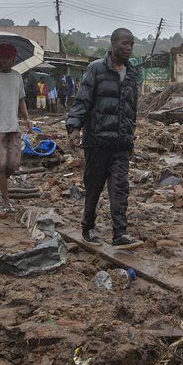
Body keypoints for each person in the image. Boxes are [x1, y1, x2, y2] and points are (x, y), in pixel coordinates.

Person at [66, 28, 142, 249]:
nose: (128, 48)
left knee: (120, 188)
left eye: (131, 44)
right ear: (112, 44)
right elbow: (83, 101)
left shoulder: (131, 74)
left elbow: (131, 110)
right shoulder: (96, 69)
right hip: (97, 142)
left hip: (120, 144)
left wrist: (131, 140)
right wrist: (74, 128)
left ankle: (120, 233)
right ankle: (88, 227)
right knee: (94, 186)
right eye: (124, 43)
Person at [0, 43, 31, 211]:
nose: (6, 61)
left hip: (13, 126)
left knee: (14, 164)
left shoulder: (17, 77)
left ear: (13, 59)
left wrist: (27, 119)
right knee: (1, 164)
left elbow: (21, 100)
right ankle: (6, 200)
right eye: (3, 58)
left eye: (9, 59)